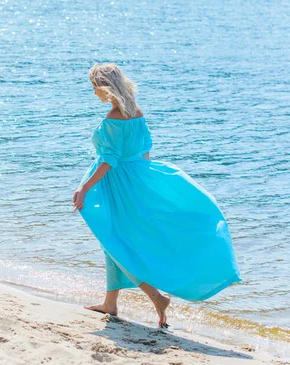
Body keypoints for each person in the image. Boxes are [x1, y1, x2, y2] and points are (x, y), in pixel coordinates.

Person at [73, 63, 241, 328]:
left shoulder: (113, 117)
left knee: (116, 241)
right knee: (114, 239)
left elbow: (110, 160)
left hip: (116, 186)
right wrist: (144, 183)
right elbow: (145, 149)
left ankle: (155, 297)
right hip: (133, 180)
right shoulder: (136, 113)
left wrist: (84, 188)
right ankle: (110, 303)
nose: (94, 93)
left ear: (104, 87)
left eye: (94, 88)